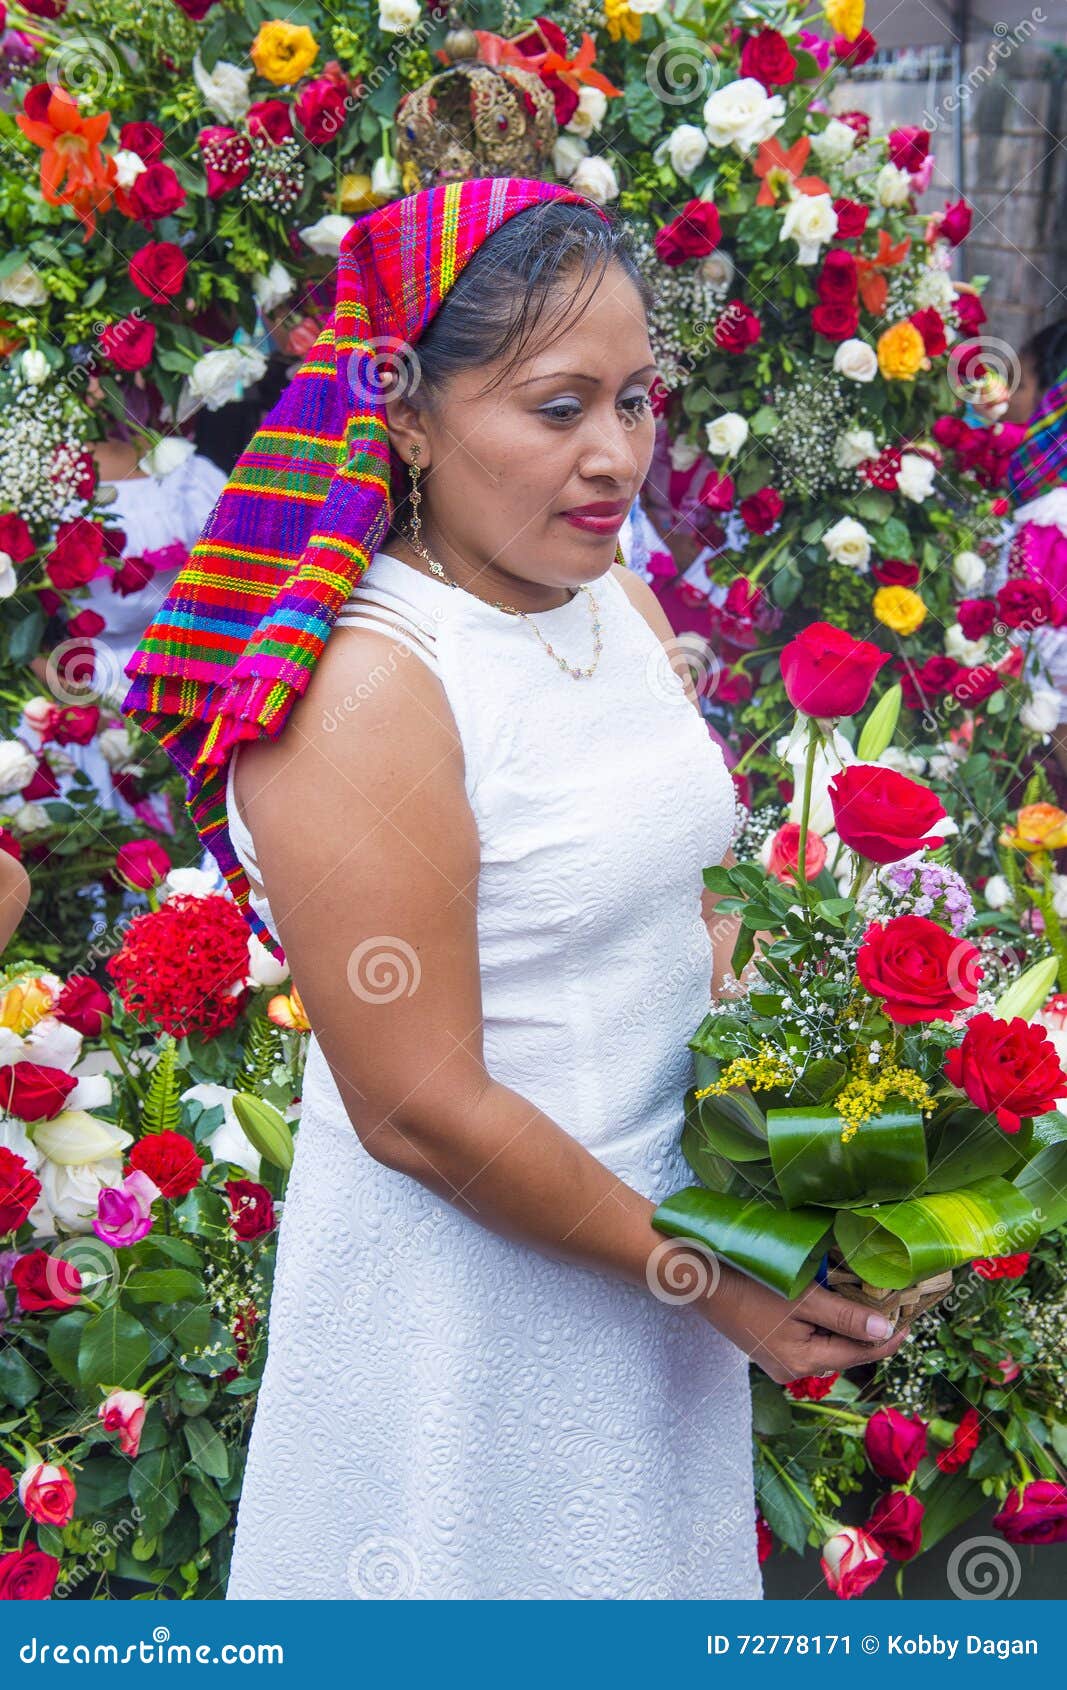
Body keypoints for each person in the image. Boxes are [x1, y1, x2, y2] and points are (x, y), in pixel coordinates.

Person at [122, 179, 908, 1602]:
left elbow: (698, 895)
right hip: (474, 1325)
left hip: (668, 1279)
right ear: (407, 413)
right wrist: (714, 1276)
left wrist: (811, 1159)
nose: (615, 455)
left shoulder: (609, 594)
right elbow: (419, 1104)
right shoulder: (370, 683)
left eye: (636, 401)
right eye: (558, 408)